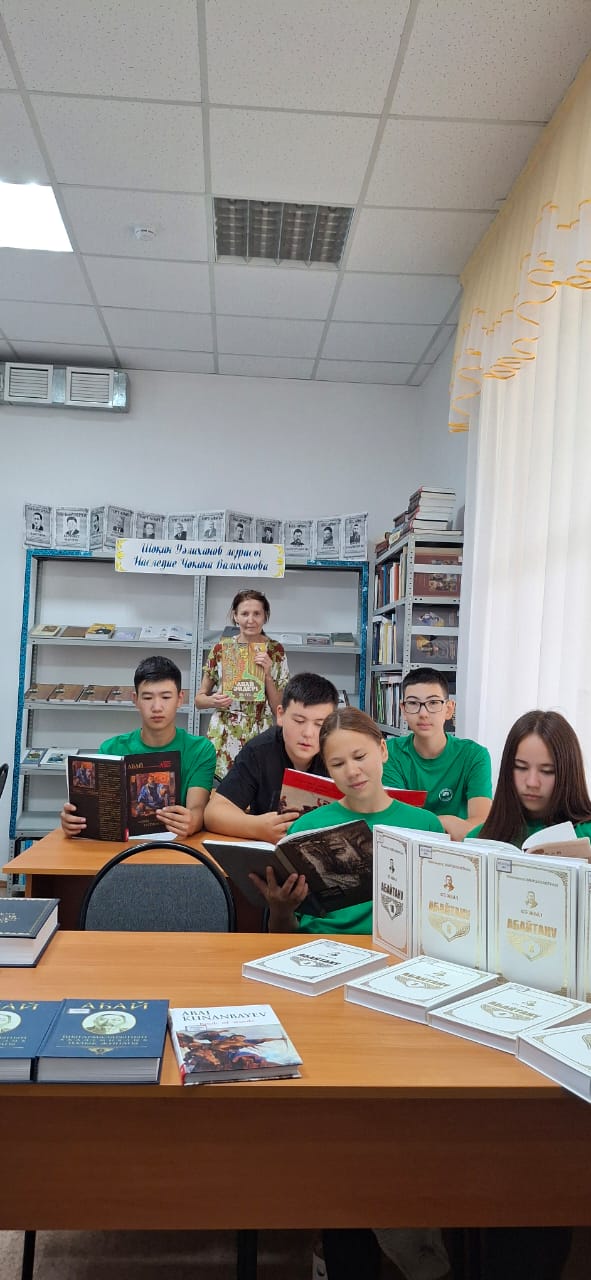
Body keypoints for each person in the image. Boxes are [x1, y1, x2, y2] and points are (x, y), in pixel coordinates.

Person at [252, 707, 444, 936]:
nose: (352, 771)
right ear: (327, 768)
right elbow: (282, 934)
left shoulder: (426, 825)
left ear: (383, 750)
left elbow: (438, 914)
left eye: (360, 757)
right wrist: (281, 910)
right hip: (318, 946)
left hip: (396, 947)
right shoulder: (305, 828)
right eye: (337, 764)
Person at [60, 656, 215, 838]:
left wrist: (193, 821)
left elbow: (197, 807)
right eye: (147, 697)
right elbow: (97, 811)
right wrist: (74, 821)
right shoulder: (111, 750)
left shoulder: (200, 750)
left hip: (177, 844)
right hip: (123, 847)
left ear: (180, 699)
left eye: (166, 697)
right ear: (135, 699)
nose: (157, 707)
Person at [204, 673, 338, 842]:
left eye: (320, 724)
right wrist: (258, 827)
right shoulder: (259, 751)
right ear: (280, 715)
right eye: (299, 721)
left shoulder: (339, 754)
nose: (308, 733)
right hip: (268, 850)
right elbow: (214, 813)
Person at [382, 667, 492, 840]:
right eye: (413, 703)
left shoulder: (474, 756)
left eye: (433, 703)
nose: (423, 713)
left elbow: (481, 824)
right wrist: (444, 823)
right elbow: (397, 824)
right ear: (403, 709)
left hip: (459, 849)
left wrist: (425, 825)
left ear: (449, 709)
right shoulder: (389, 753)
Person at [195, 589, 289, 779]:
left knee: (255, 786)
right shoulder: (221, 648)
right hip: (224, 731)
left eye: (257, 614)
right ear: (235, 616)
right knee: (221, 788)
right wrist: (214, 700)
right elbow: (199, 700)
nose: (250, 620)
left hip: (260, 731)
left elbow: (277, 707)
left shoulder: (275, 651)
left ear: (265, 616)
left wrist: (267, 675)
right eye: (244, 613)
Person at [466, 709, 591, 845]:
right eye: (521, 767)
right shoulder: (480, 837)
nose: (532, 782)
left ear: (568, 773)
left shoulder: (585, 834)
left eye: (547, 771)